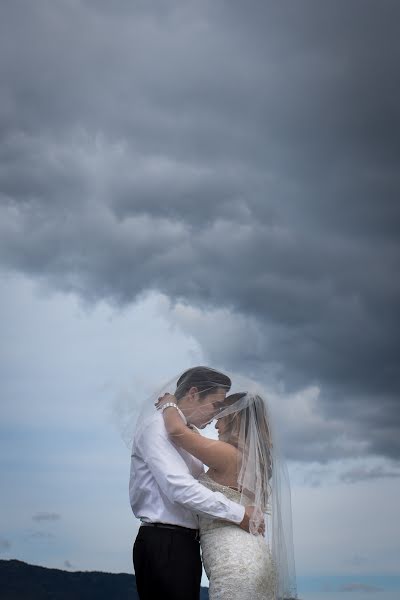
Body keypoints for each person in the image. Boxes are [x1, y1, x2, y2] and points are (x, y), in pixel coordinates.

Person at [129, 367, 265, 600]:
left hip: (186, 545)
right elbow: (179, 489)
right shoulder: (157, 427)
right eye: (215, 405)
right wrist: (239, 514)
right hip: (164, 542)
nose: (216, 416)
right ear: (193, 393)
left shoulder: (187, 434)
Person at [157, 389, 297, 600]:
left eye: (221, 417)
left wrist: (170, 404)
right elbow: (194, 438)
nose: (215, 425)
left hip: (234, 559)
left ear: (236, 419)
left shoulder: (226, 454)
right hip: (257, 556)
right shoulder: (254, 461)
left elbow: (176, 431)